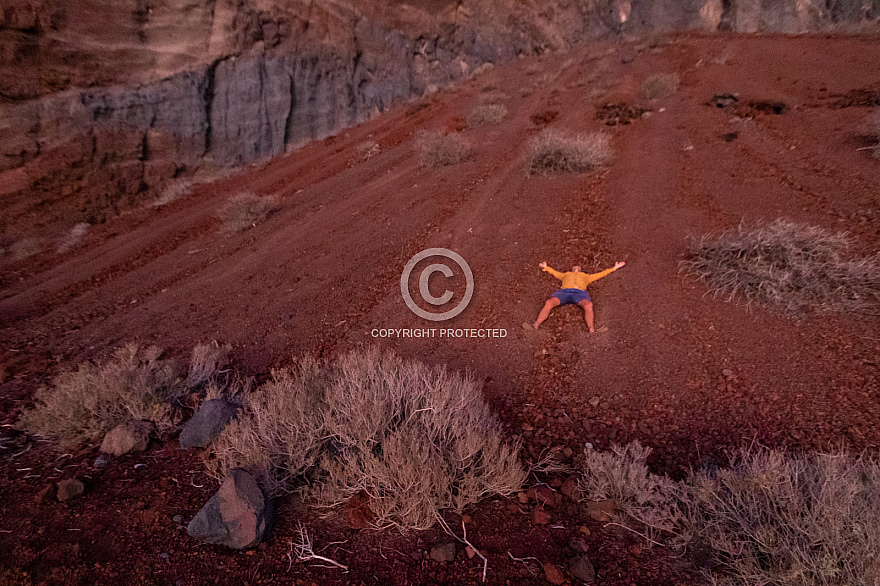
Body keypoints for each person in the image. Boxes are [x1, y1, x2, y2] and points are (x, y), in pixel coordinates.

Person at [529, 260, 626, 332]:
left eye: (578, 267)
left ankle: (591, 329)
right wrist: (546, 267)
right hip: (564, 292)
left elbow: (600, 274)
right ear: (571, 269)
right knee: (549, 302)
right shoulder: (565, 275)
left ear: (580, 270)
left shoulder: (586, 277)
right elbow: (555, 273)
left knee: (588, 305)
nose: (576, 267)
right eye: (574, 267)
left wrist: (614, 268)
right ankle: (536, 324)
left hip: (580, 293)